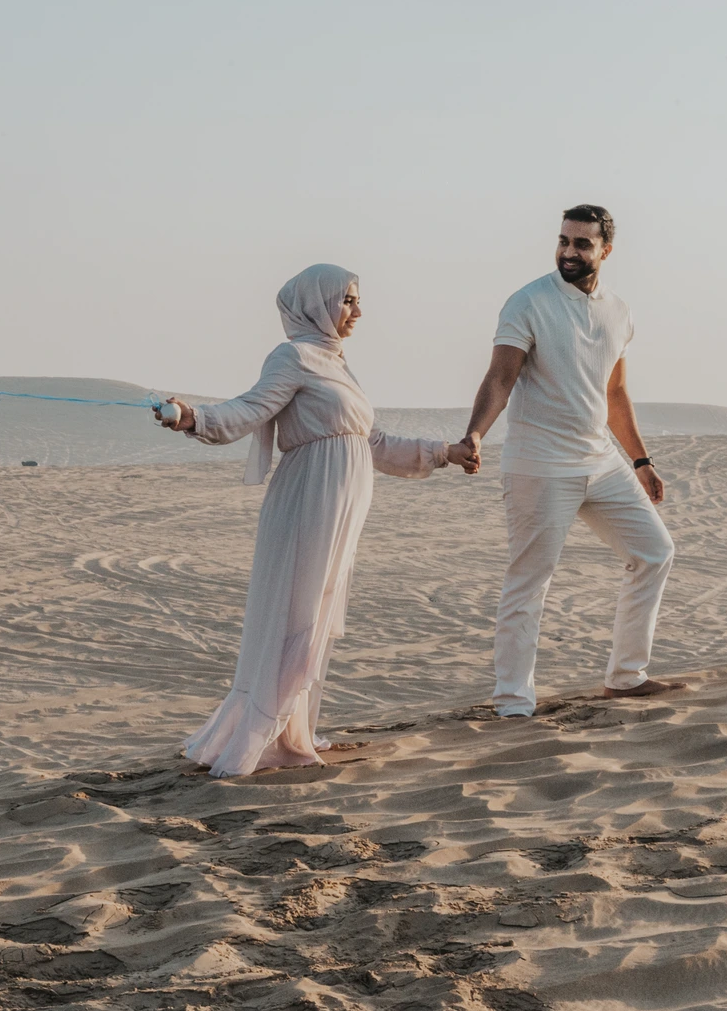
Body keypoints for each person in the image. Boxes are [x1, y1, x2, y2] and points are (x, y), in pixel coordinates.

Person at [156, 263, 479, 778]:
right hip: (309, 498)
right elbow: (250, 409)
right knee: (296, 611)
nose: (357, 311)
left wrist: (446, 452)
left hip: (341, 506)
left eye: (356, 300)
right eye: (347, 299)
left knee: (318, 612)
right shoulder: (293, 356)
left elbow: (371, 443)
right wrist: (194, 416)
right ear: (315, 302)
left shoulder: (336, 364)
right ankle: (264, 733)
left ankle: (292, 731)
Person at [447, 205, 684, 717]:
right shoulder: (528, 302)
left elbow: (615, 392)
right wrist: (474, 435)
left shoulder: (618, 311)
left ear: (605, 251)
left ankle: (625, 677)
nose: (568, 253)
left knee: (654, 552)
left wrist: (640, 460)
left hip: (600, 461)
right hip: (539, 464)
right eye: (563, 241)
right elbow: (500, 378)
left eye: (581, 244)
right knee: (530, 580)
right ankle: (513, 701)